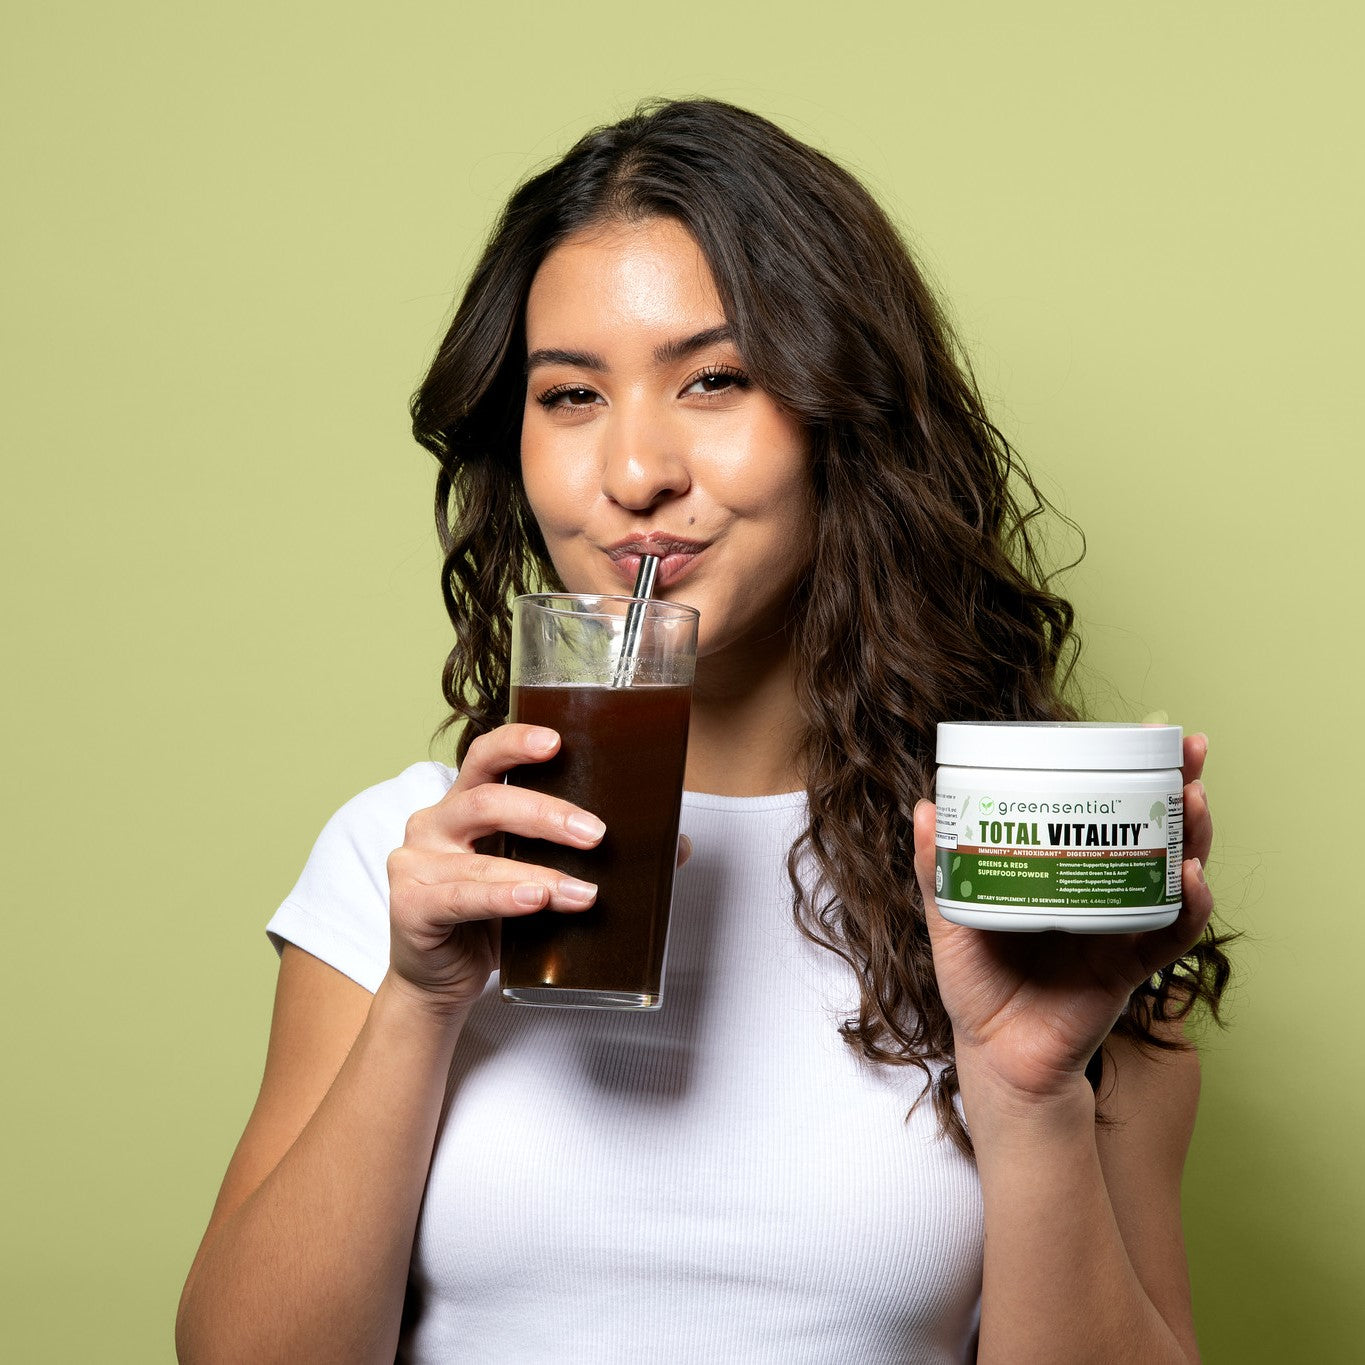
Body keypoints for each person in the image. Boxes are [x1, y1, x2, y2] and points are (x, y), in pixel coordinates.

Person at [176, 99, 1231, 1364]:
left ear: (848, 417)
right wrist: (420, 999)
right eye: (569, 395)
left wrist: (1028, 1091)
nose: (634, 471)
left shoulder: (1017, 878)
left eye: (715, 380)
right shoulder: (404, 868)